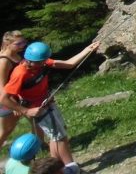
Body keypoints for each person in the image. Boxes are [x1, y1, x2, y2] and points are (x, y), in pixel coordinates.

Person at [0, 40, 100, 174]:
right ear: (29, 60)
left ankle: (55, 167)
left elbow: (69, 64)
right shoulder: (20, 73)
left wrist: (88, 49)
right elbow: (3, 98)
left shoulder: (42, 62)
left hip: (46, 103)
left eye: (44, 60)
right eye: (40, 61)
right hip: (37, 108)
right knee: (59, 137)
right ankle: (71, 168)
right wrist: (26, 111)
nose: (43, 64)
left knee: (58, 134)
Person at [1, 31, 30, 150]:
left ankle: (39, 144)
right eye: (18, 43)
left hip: (19, 96)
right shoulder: (4, 61)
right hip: (7, 99)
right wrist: (14, 104)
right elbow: (2, 85)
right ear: (7, 44)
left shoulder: (16, 54)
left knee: (35, 120)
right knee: (5, 130)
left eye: (24, 42)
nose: (22, 45)